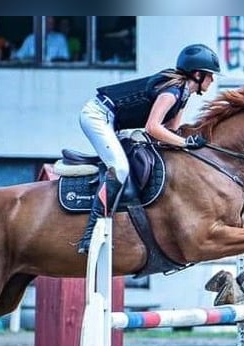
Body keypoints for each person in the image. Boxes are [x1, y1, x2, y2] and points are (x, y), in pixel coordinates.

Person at [75, 43, 220, 254]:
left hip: (113, 121)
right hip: (97, 115)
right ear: (197, 74)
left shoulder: (183, 95)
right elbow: (153, 128)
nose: (213, 80)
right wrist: (186, 144)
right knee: (120, 169)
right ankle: (91, 233)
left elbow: (171, 131)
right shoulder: (172, 91)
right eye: (210, 75)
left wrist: (191, 141)